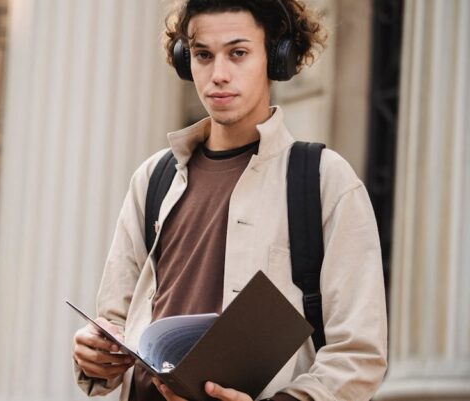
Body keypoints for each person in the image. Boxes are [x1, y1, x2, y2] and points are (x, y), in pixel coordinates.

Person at [71, 0, 388, 400]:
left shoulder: (326, 180)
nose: (218, 75)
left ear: (277, 58)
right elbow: (113, 322)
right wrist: (95, 352)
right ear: (187, 60)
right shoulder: (152, 178)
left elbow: (359, 355)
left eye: (238, 53)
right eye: (203, 55)